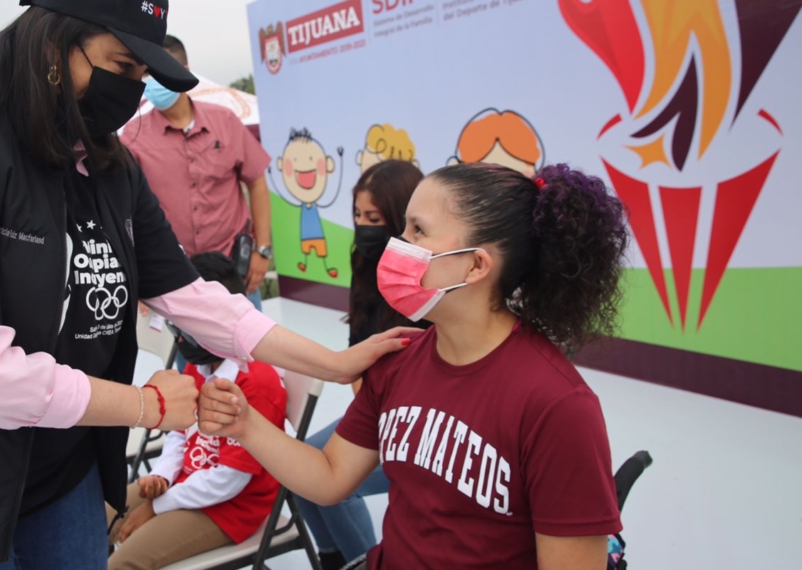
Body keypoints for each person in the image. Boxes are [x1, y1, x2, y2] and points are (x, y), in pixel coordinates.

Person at [0, 4, 410, 570]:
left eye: (142, 73)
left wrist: (333, 363)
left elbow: (189, 295)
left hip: (63, 470)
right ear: (52, 44)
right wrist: (150, 407)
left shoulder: (106, 161)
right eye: (121, 66)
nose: (132, 90)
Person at [201, 162, 630, 570]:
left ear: (476, 264)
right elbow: (330, 477)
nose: (396, 243)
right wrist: (246, 425)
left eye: (418, 231)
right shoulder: (398, 359)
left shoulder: (558, 406)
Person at [106, 252, 286, 570]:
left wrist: (157, 507)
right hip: (185, 485)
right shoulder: (201, 362)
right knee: (94, 519)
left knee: (123, 562)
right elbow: (180, 431)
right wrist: (161, 475)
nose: (177, 328)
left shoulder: (257, 383)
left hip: (230, 508)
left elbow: (230, 480)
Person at [294, 159, 423, 570]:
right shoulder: (364, 264)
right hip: (379, 409)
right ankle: (336, 561)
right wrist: (370, 415)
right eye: (357, 216)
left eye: (375, 218)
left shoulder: (429, 280)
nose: (364, 226)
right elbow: (357, 354)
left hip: (419, 421)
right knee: (302, 470)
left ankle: (365, 563)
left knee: (333, 483)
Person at [121, 35, 273, 311]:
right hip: (175, 278)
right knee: (188, 355)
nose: (152, 84)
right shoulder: (133, 135)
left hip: (234, 272)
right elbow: (126, 210)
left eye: (160, 73)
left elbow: (257, 181)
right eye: (147, 75)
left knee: (248, 350)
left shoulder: (224, 121)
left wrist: (263, 250)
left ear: (184, 72)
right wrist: (139, 275)